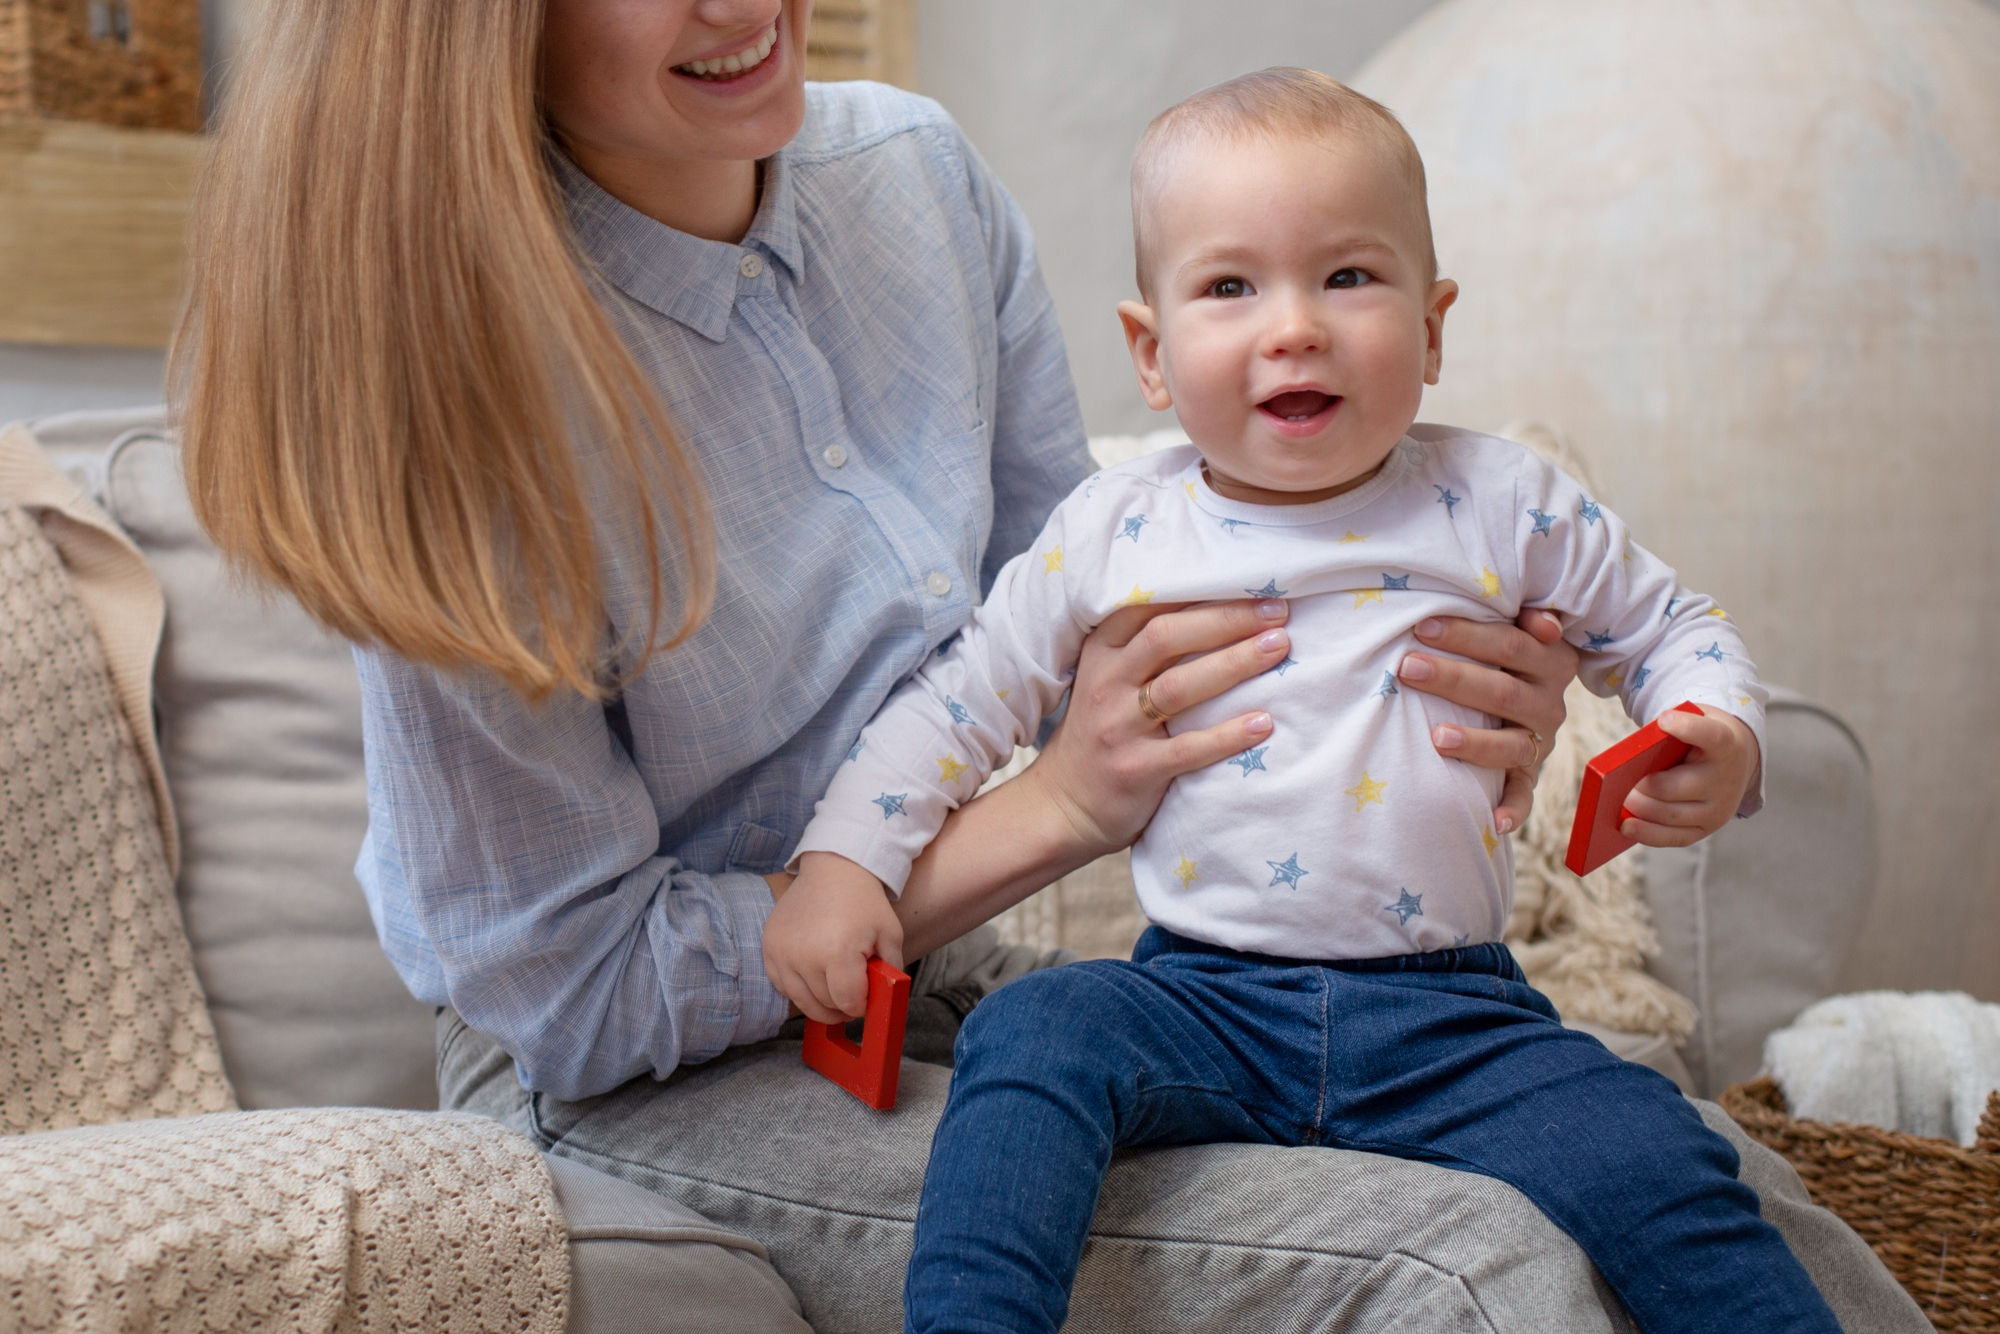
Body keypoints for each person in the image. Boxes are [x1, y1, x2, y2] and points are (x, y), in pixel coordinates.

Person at [170, 3, 1922, 1330]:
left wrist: (1499, 680)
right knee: (1468, 1260)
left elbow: (1114, 606)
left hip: (978, 1002)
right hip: (643, 1072)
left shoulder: (912, 185)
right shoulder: (445, 388)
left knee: (1736, 1189)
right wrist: (1056, 806)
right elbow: (578, 991)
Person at [766, 70, 1838, 1334]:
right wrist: (845, 861)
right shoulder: (1116, 526)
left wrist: (1712, 728)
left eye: (1347, 277)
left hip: (1452, 1014)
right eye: (1230, 287)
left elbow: (1676, 631)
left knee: (1659, 1150)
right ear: (1150, 353)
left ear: (1434, 328)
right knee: (1035, 1030)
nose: (1293, 328)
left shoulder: (1501, 500)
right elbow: (955, 706)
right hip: (1198, 998)